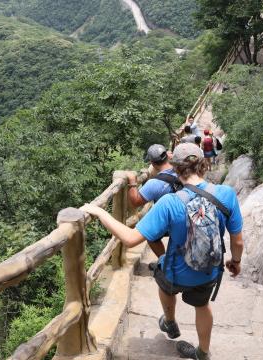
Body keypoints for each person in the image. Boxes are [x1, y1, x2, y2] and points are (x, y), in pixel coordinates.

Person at [80, 143, 243, 360]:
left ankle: (169, 321)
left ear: (175, 168)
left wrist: (100, 213)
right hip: (209, 271)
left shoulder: (169, 202)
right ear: (204, 165)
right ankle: (203, 352)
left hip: (176, 272)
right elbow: (238, 241)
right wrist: (236, 261)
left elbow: (130, 239)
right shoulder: (227, 194)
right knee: (202, 306)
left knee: (162, 273)